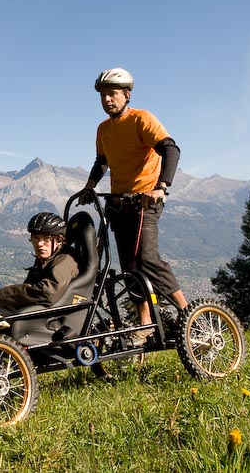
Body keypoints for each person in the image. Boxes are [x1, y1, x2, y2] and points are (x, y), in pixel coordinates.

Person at [80, 67, 187, 347]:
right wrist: (89, 187)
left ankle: (187, 313)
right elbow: (102, 162)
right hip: (120, 204)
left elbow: (170, 149)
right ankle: (145, 323)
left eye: (112, 94)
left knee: (147, 260)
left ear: (126, 95)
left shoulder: (142, 119)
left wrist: (161, 186)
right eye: (103, 95)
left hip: (144, 202)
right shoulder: (103, 129)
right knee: (129, 267)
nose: (107, 100)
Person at [0, 212, 78, 316]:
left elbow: (47, 292)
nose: (39, 243)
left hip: (41, 320)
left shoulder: (65, 260)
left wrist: (2, 296)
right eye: (36, 238)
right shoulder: (47, 259)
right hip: (29, 314)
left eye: (46, 238)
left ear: (59, 240)